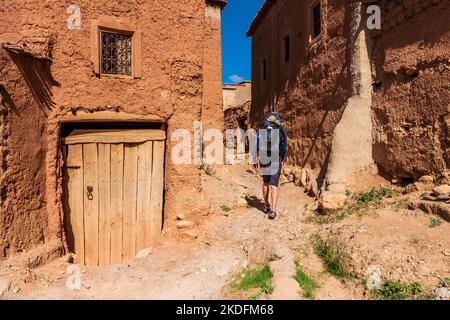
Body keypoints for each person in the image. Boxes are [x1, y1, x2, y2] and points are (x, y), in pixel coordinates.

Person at [252, 112, 287, 220]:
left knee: (265, 182)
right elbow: (284, 144)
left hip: (263, 156)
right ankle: (273, 210)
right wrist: (282, 157)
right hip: (276, 156)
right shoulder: (280, 129)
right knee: (274, 185)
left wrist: (254, 160)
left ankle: (266, 205)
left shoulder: (262, 130)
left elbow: (255, 143)